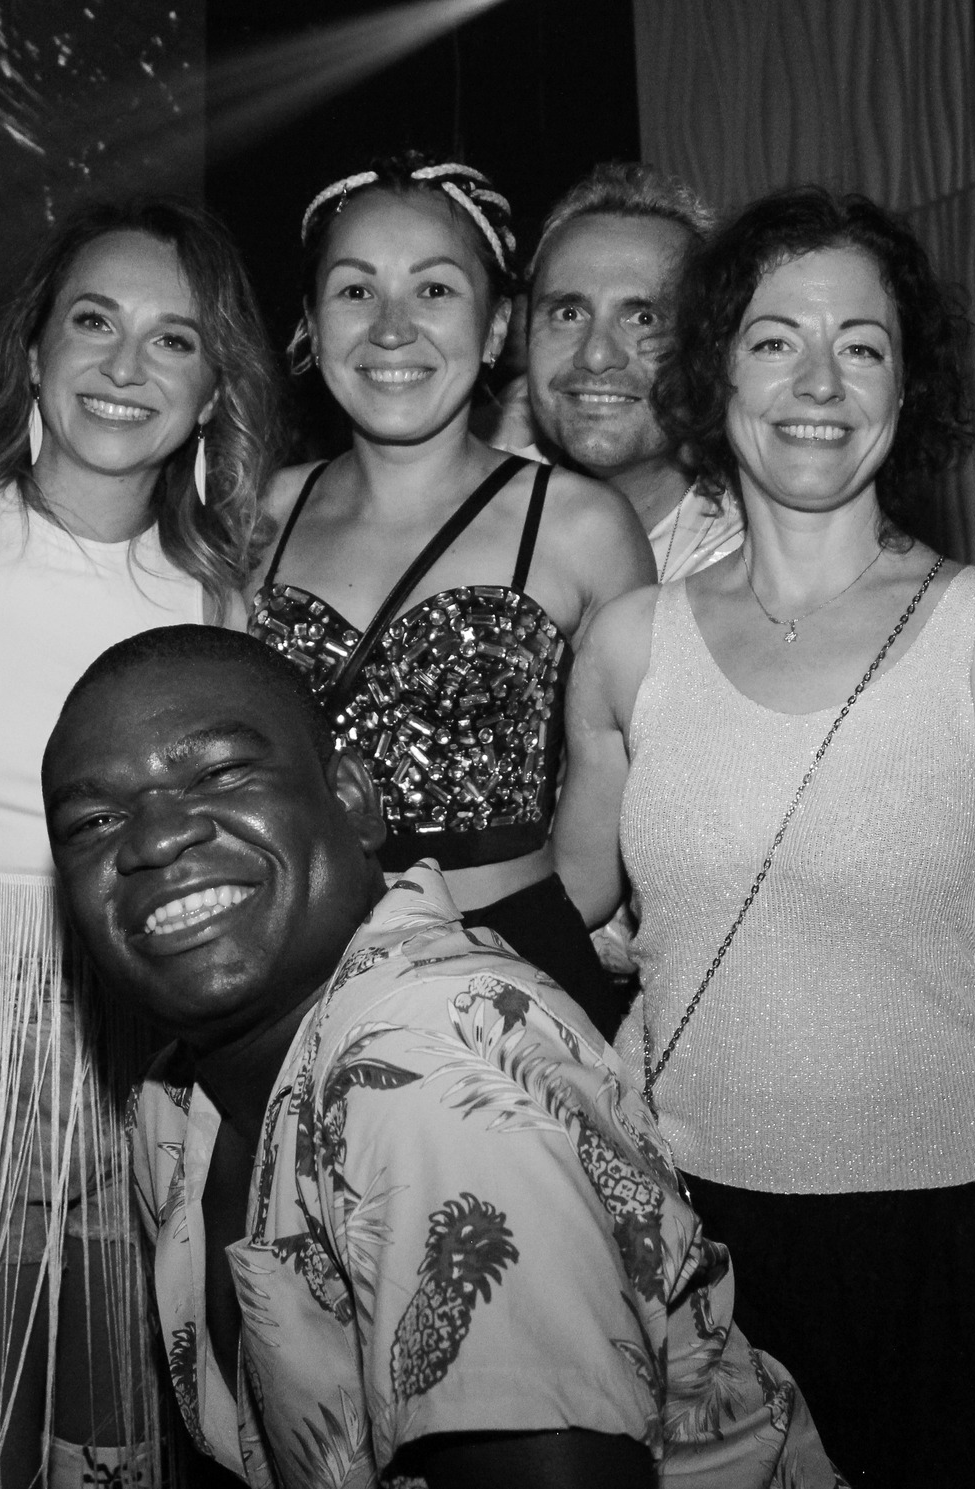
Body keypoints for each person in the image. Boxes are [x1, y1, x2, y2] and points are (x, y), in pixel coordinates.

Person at [553, 187, 975, 1486]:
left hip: (940, 1229)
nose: (817, 382)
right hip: (682, 1224)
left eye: (861, 345)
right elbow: (555, 922)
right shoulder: (626, 646)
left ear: (907, 387)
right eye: (773, 339)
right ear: (715, 372)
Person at [41, 624, 841, 1489]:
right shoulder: (173, 1098)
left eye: (221, 773)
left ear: (352, 801)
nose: (155, 839)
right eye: (95, 819)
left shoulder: (434, 1074)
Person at [0, 197, 279, 1488]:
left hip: (122, 1071)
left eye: (174, 340)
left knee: (101, 1438)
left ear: (211, 390)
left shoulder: (220, 603)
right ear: (35, 346)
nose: (124, 364)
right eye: (95, 321)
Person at [250, 154, 654, 1035]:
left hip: (506, 994)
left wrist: (483, 970)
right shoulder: (261, 515)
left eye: (434, 290)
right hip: (296, 988)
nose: (392, 328)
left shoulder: (582, 526)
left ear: (498, 324)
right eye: (356, 291)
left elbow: (608, 843)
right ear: (312, 323)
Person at [524, 163, 739, 584]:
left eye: (643, 319)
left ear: (710, 346)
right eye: (569, 314)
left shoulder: (757, 564)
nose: (596, 355)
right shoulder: (468, 517)